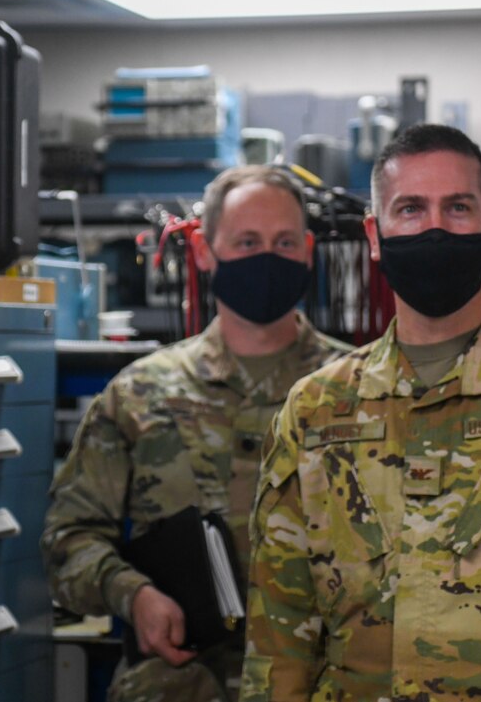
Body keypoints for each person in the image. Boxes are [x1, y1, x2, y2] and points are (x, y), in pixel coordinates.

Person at [241, 123, 481, 702]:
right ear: (375, 235)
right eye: (410, 209)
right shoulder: (315, 408)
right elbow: (280, 632)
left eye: (458, 208)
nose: (435, 228)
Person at [41, 166, 350, 702]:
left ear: (306, 250)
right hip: (177, 685)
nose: (266, 258)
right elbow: (68, 538)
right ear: (206, 250)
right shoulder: (140, 394)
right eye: (247, 242)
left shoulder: (355, 391)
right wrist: (133, 595)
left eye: (282, 243)